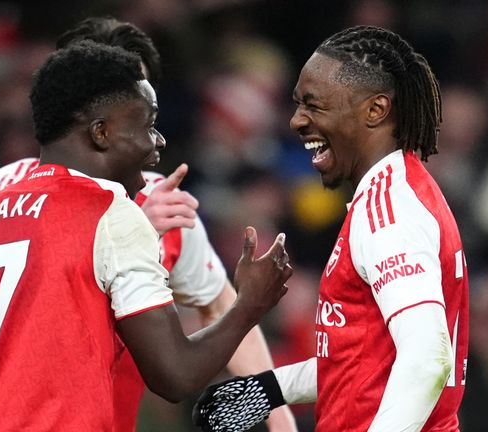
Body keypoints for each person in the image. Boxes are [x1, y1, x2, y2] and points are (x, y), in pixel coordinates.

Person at [0, 16, 297, 431]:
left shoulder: (166, 205)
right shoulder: (16, 187)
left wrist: (279, 419)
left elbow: (217, 305)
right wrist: (134, 230)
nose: (152, 136)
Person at [193, 25, 469, 432]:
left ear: (375, 111)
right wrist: (272, 388)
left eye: (315, 106)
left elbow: (427, 358)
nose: (296, 121)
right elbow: (364, 360)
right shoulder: (397, 192)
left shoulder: (388, 212)